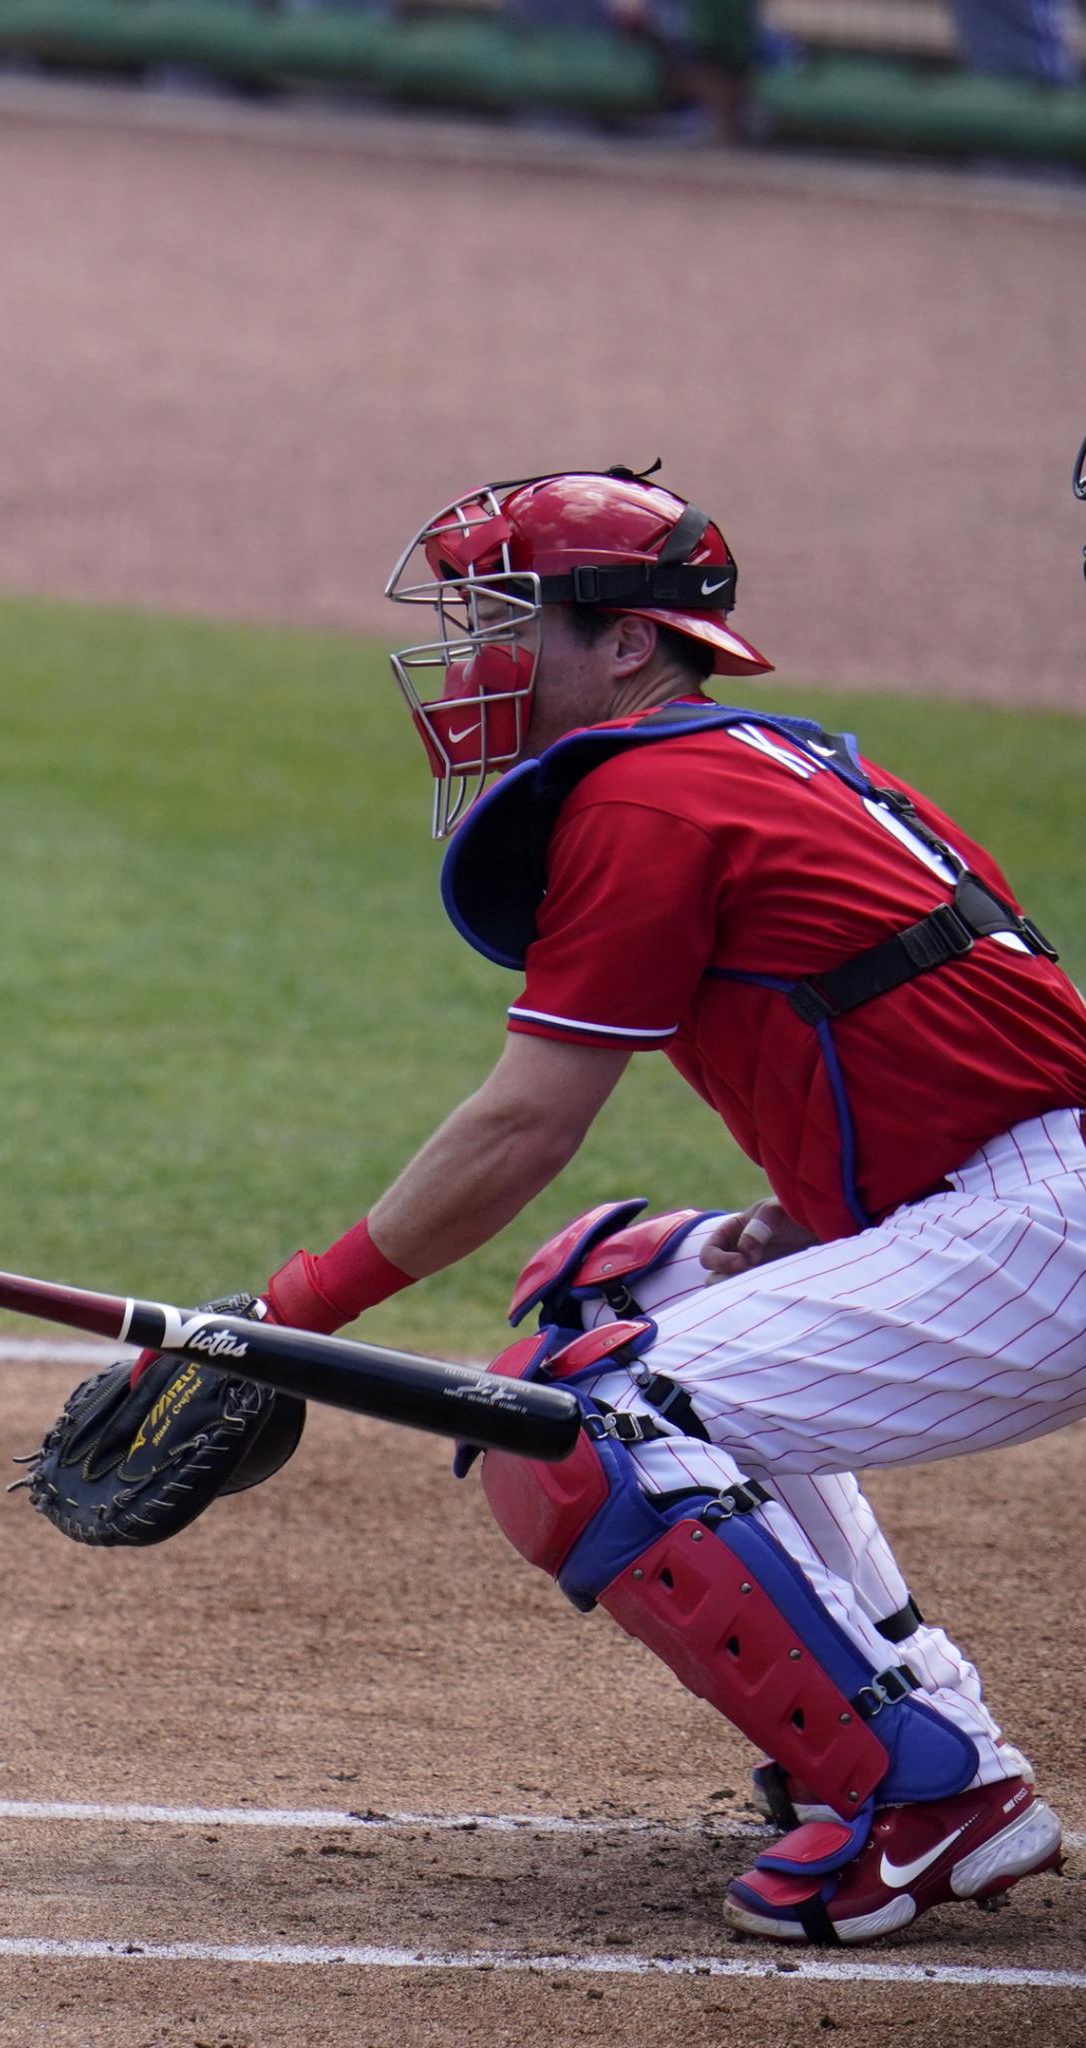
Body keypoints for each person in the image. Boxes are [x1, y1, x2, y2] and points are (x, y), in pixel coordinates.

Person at [225, 466, 1082, 1944]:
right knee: (622, 1293)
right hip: (1017, 1201)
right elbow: (938, 1052)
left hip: (1041, 1230)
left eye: (511, 621)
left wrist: (285, 1315)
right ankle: (896, 1708)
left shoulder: (646, 794)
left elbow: (521, 1126)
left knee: (589, 1420)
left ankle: (936, 1796)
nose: (477, 660)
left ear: (628, 642)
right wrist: (772, 1230)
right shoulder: (762, 763)